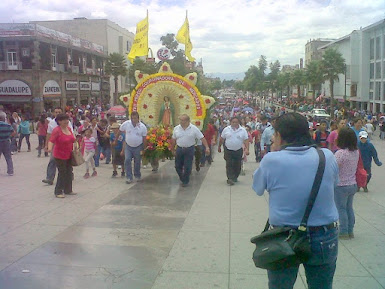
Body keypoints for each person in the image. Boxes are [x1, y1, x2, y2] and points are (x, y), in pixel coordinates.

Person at [252, 113, 339, 289]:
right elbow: (333, 183)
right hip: (324, 235)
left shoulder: (271, 160)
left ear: (280, 136)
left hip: (284, 237)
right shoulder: (327, 156)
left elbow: (258, 188)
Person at [170, 114, 210, 187]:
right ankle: (182, 178)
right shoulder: (176, 128)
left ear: (188, 121)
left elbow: (202, 138)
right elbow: (174, 139)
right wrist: (172, 149)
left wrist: (207, 147)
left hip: (189, 149)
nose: (181, 122)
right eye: (180, 120)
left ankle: (185, 181)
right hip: (179, 148)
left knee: (187, 166)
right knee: (177, 166)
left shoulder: (194, 129)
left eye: (183, 120)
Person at [334, 127, 359, 239]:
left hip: (341, 185)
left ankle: (343, 231)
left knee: (341, 208)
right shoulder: (356, 152)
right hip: (352, 184)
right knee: (349, 207)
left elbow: (334, 168)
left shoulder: (340, 153)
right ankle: (350, 230)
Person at [47, 114, 76, 198]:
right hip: (59, 155)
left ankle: (68, 190)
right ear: (59, 121)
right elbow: (51, 140)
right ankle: (58, 191)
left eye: (67, 120)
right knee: (62, 173)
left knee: (69, 172)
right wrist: (49, 148)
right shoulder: (57, 130)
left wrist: (76, 145)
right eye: (64, 120)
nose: (67, 121)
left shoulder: (69, 129)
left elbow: (73, 139)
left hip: (69, 154)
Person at [218, 117, 249, 185]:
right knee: (229, 164)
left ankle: (235, 177)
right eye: (233, 122)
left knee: (237, 165)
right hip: (228, 150)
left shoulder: (242, 130)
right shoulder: (226, 129)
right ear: (230, 122)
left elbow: (246, 140)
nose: (234, 123)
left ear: (239, 123)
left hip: (238, 150)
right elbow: (222, 138)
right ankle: (230, 178)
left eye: (236, 122)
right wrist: (219, 146)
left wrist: (247, 149)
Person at [119, 112, 147, 184]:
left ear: (138, 118)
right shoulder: (126, 124)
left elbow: (144, 139)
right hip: (128, 146)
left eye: (135, 118)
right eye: (132, 118)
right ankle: (129, 177)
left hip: (138, 146)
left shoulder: (142, 127)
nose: (133, 120)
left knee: (137, 162)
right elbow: (120, 130)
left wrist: (144, 149)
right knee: (127, 160)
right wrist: (117, 139)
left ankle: (137, 175)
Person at [0, 111, 15, 176]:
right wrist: (8, 136)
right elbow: (13, 132)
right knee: (8, 157)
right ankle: (10, 171)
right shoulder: (8, 125)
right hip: (6, 141)